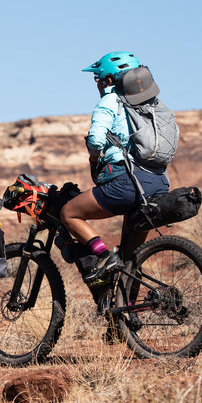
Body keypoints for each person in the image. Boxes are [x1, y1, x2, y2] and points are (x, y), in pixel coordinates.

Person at [60, 51, 170, 283]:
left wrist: (93, 158)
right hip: (157, 183)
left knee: (69, 213)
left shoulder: (111, 99)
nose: (97, 85)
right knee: (132, 259)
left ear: (109, 80)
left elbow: (96, 140)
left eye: (98, 79)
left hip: (128, 183)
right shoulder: (151, 102)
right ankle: (128, 311)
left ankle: (104, 256)